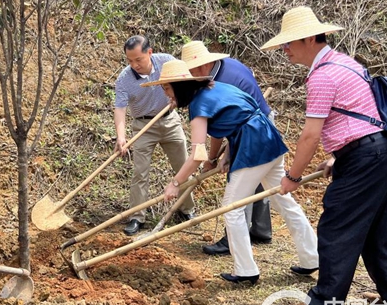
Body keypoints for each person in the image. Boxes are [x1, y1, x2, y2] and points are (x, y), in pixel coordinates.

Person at [262, 6, 387, 305]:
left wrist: (292, 176)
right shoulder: (345, 63)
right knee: (376, 229)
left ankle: (323, 304)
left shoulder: (322, 76)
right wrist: (337, 155)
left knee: (335, 228)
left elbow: (309, 136)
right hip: (380, 151)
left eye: (288, 43)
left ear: (307, 39)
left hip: (365, 157)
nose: (284, 50)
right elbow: (359, 115)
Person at [144, 57, 318, 285]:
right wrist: (226, 156)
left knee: (231, 208)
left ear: (179, 86)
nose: (166, 93)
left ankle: (246, 270)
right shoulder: (215, 88)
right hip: (268, 137)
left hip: (253, 146)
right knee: (283, 200)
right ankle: (312, 257)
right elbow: (237, 119)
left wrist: (175, 183)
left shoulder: (199, 105)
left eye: (167, 88)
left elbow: (198, 155)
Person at [182, 41, 273, 255]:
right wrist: (217, 157)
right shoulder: (226, 65)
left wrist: (214, 158)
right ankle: (260, 230)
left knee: (241, 181)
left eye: (190, 71)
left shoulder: (218, 82)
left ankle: (232, 239)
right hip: (259, 121)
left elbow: (219, 129)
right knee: (259, 178)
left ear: (202, 66)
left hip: (252, 128)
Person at [115, 35, 195, 236]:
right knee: (140, 172)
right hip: (143, 125)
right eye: (130, 61)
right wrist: (121, 137)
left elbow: (186, 79)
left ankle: (187, 209)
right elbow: (120, 109)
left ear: (149, 53)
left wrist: (178, 97)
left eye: (138, 60)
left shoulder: (166, 62)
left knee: (182, 164)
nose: (135, 65)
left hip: (169, 120)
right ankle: (136, 216)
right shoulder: (125, 79)